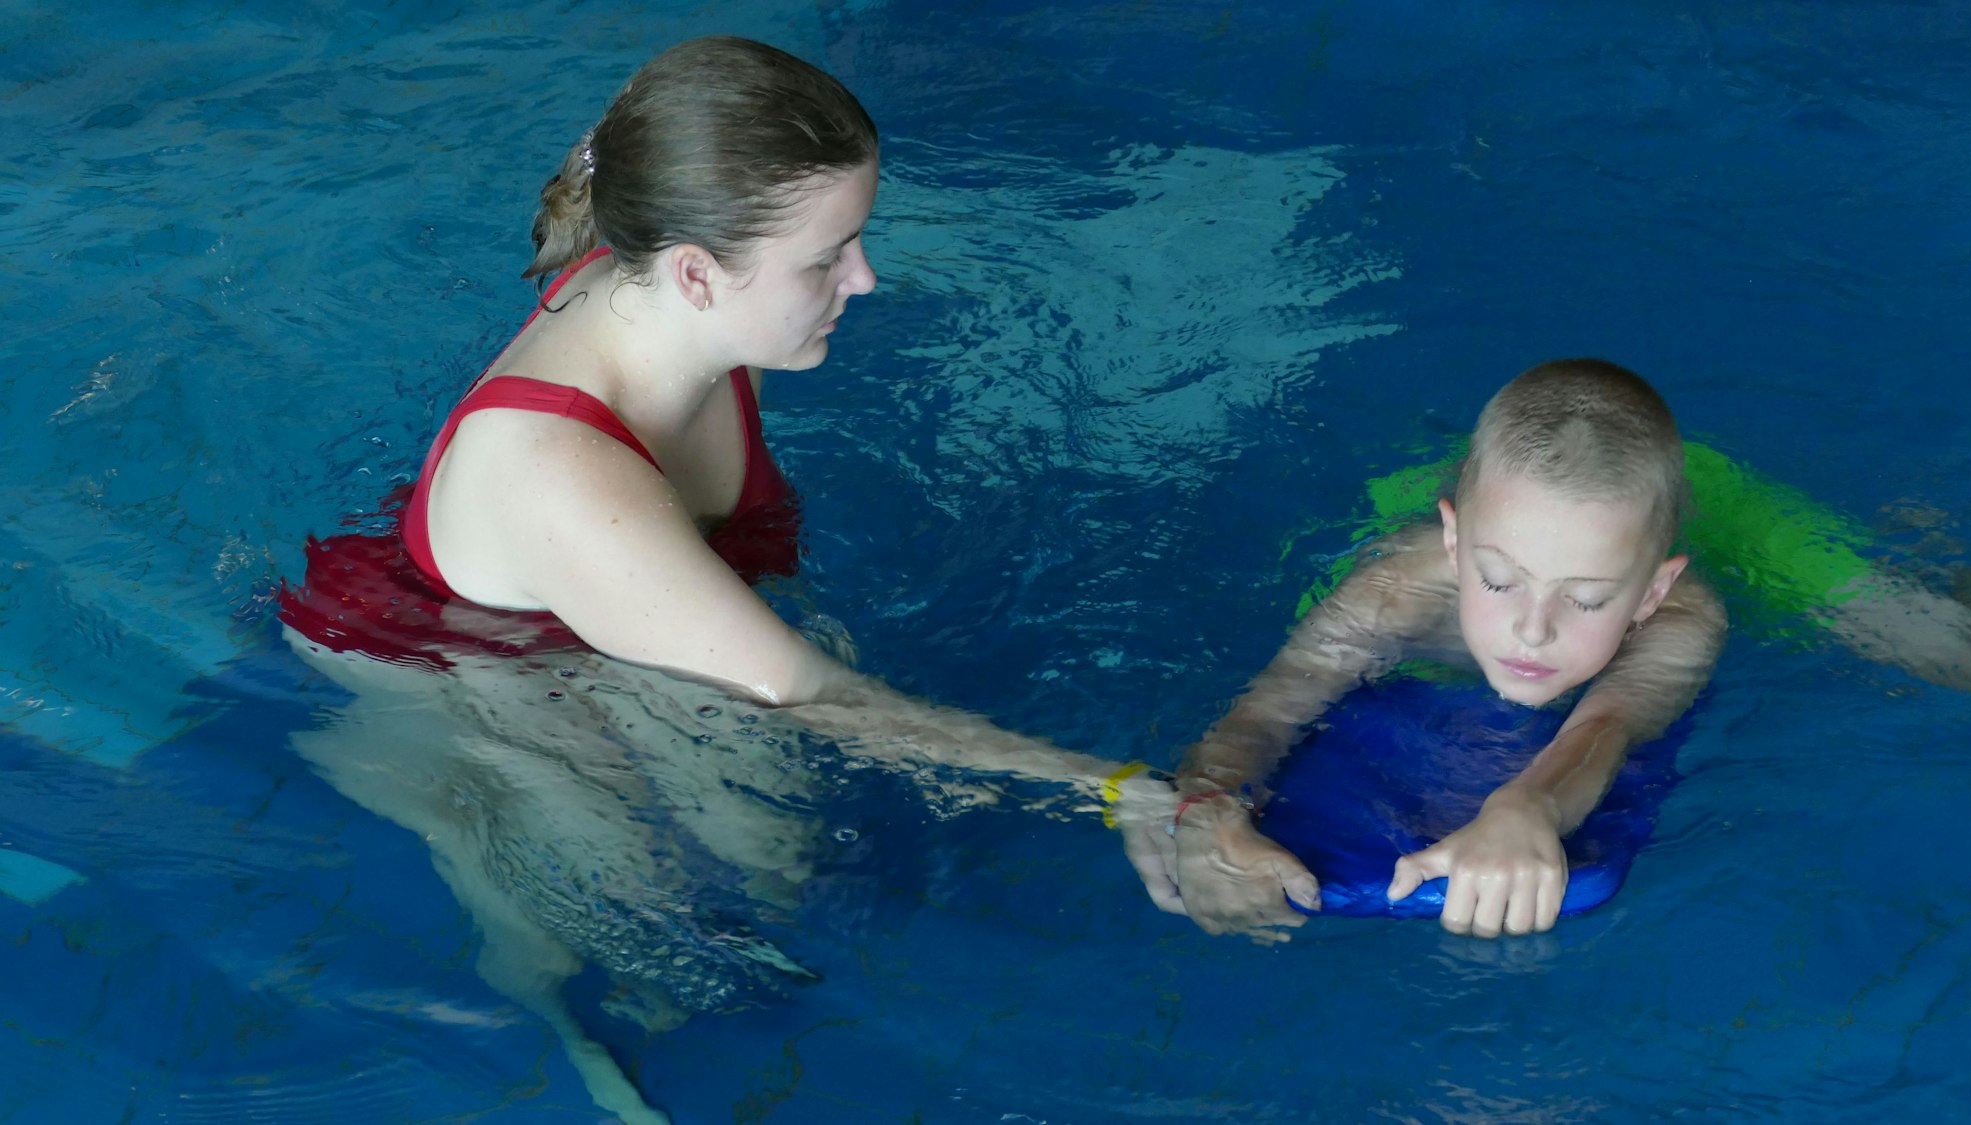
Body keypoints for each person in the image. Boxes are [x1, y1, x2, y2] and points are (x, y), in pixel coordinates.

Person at [277, 37, 1173, 1125]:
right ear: (699, 271)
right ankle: (571, 1057)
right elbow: (801, 689)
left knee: (781, 853)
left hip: (613, 595)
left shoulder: (671, 296)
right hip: (468, 665)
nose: (863, 278)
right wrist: (1112, 789)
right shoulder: (560, 471)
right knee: (621, 921)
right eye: (827, 257)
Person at [1126, 359, 1730, 943]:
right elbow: (1269, 710)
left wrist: (1530, 806)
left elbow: (1607, 725)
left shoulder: (1683, 621)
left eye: (1590, 599)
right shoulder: (1394, 595)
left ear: (1651, 592)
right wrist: (1209, 809)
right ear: (1453, 542)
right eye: (1497, 580)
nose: (1533, 630)